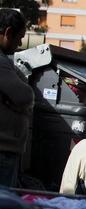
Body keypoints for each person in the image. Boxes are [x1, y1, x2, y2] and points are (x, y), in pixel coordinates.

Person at [0, 9, 34, 187]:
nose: (20, 43)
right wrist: (21, 107)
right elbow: (25, 96)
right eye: (19, 37)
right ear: (8, 33)